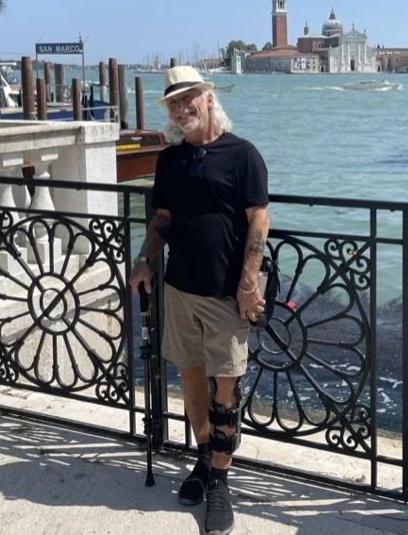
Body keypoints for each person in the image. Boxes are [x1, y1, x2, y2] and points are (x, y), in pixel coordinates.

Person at [129, 65, 269, 535]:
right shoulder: (169, 160)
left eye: (189, 97)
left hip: (226, 296)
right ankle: (204, 460)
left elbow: (258, 222)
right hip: (179, 292)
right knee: (189, 384)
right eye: (173, 102)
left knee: (224, 392)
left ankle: (221, 481)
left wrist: (249, 283)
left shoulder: (243, 155)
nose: (181, 107)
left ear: (208, 99)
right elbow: (163, 218)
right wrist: (145, 258)